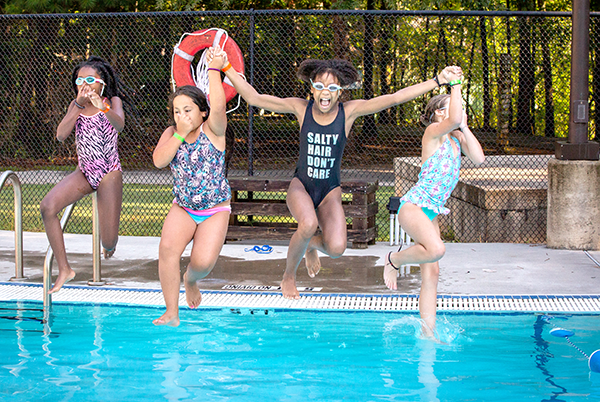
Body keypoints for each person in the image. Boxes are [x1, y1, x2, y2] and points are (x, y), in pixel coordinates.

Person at [218, 52, 462, 299]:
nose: (326, 92)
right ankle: (288, 276)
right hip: (301, 185)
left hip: (329, 191)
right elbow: (254, 97)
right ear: (311, 89)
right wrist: (225, 66)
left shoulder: (349, 112)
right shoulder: (300, 109)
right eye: (320, 86)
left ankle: (311, 245)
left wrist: (437, 80)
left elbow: (394, 98)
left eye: (333, 87)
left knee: (336, 248)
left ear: (341, 91)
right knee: (308, 224)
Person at [383, 73, 485, 338]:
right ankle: (393, 260)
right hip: (415, 206)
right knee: (436, 249)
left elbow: (479, 158)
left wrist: (464, 128)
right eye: (450, 106)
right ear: (438, 113)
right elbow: (452, 118)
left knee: (433, 272)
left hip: (433, 211)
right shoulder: (433, 135)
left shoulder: (455, 139)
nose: (456, 112)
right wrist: (456, 86)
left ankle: (429, 331)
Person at [152, 46, 231, 327]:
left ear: (203, 112)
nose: (181, 115)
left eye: (188, 110)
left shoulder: (214, 130)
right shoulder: (171, 134)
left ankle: (191, 279)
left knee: (202, 263)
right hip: (183, 208)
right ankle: (172, 312)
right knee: (167, 250)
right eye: (177, 111)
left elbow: (220, 106)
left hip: (215, 209)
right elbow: (160, 161)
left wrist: (214, 68)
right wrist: (179, 134)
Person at [41, 56, 128, 294]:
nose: (85, 85)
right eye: (80, 80)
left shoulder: (113, 101)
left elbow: (119, 125)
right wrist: (78, 106)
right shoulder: (75, 106)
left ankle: (110, 244)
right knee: (47, 206)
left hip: (109, 173)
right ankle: (64, 269)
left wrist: (104, 106)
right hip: (85, 172)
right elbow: (60, 135)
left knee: (107, 242)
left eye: (90, 80)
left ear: (101, 83)